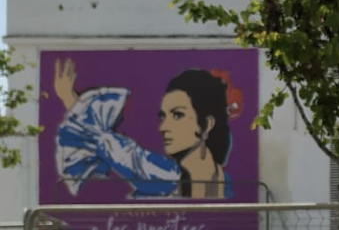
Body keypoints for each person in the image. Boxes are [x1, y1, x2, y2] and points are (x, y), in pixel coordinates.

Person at [54, 57, 242, 200]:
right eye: (163, 117)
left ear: (207, 124)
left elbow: (125, 154)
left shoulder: (167, 177)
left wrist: (72, 102)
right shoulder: (218, 182)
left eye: (177, 115)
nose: (163, 127)